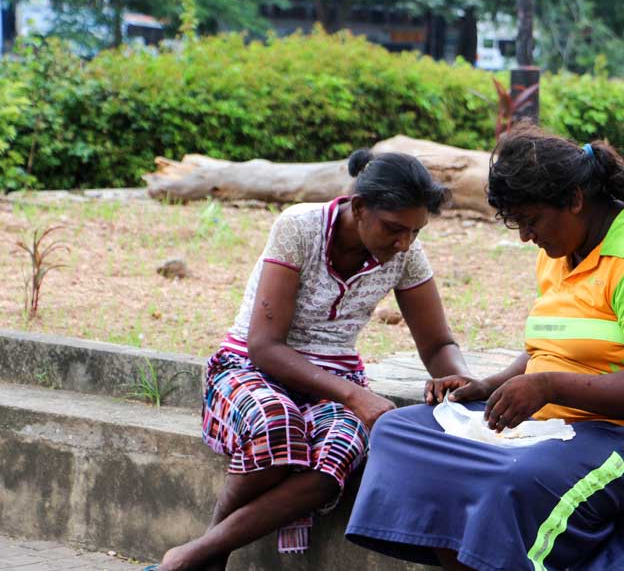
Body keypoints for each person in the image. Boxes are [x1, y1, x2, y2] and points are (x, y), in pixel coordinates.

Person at [345, 123, 624, 571]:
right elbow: (550, 348)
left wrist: (548, 387)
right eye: (518, 223)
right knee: (399, 431)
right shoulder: (561, 248)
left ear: (575, 201)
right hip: (549, 426)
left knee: (513, 479)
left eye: (531, 220)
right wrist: (489, 385)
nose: (525, 236)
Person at [153, 150, 470, 570]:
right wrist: (355, 397)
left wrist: (463, 381)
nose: (405, 242)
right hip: (251, 369)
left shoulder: (406, 254)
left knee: (338, 454)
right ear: (359, 208)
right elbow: (264, 346)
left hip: (334, 379)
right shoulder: (300, 227)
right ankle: (213, 558)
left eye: (415, 231)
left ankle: (195, 556)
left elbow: (436, 345)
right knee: (275, 423)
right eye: (395, 229)